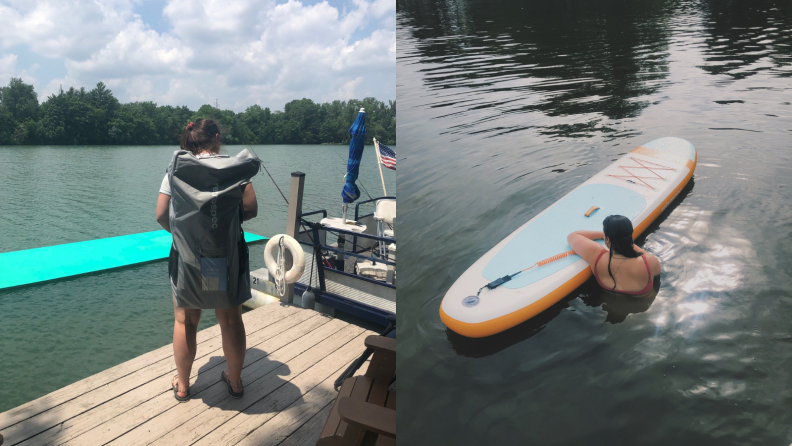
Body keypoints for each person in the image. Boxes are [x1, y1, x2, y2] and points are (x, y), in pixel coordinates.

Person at [155, 118, 258, 401]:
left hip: (188, 257)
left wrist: (185, 234)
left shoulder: (177, 169)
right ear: (216, 136)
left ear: (189, 140)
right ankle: (235, 382)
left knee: (185, 320)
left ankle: (184, 385)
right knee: (230, 318)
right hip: (223, 256)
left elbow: (161, 215)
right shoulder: (236, 170)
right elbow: (250, 209)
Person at [567, 215, 660, 297]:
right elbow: (656, 271)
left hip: (610, 302)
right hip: (643, 304)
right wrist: (624, 242)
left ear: (607, 239)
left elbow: (572, 236)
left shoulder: (596, 257)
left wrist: (604, 236)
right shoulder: (648, 262)